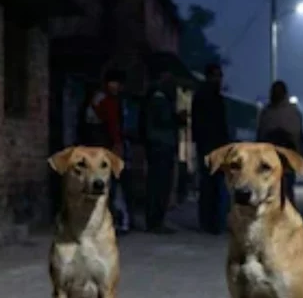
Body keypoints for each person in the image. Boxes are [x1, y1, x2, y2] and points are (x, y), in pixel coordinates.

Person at [83, 70, 131, 233]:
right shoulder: (107, 101)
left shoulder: (98, 99)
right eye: (114, 83)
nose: (116, 87)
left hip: (96, 146)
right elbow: (112, 124)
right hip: (104, 146)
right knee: (110, 184)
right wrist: (117, 144)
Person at [141, 67, 184, 234]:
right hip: (160, 146)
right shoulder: (159, 98)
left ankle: (156, 220)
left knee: (160, 185)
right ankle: (155, 221)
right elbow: (164, 119)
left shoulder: (159, 97)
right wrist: (177, 118)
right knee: (159, 185)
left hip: (160, 145)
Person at [192, 63, 230, 234]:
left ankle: (207, 222)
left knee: (208, 186)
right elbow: (219, 126)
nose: (220, 80)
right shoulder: (214, 98)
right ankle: (215, 223)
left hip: (205, 146)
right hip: (214, 147)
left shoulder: (199, 96)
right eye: (218, 76)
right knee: (215, 186)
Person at [256, 80, 303, 207]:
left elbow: (260, 136)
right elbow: (299, 136)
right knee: (287, 190)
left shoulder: (266, 113)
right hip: (287, 157)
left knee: (271, 190)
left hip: (270, 157)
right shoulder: (293, 112)